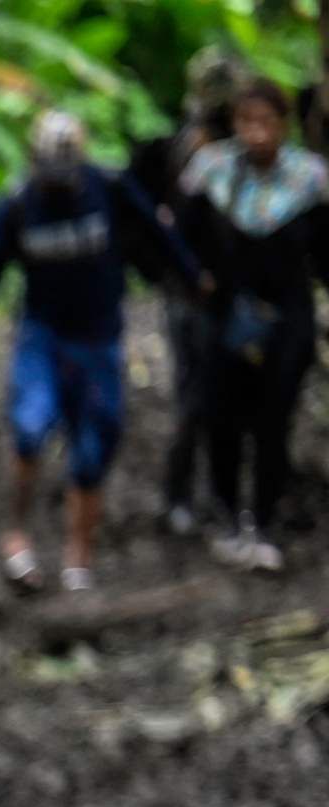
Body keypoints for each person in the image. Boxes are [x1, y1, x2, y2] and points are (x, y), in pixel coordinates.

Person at [0, 109, 203, 591]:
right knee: (29, 428)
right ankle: (17, 535)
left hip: (99, 340)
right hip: (43, 336)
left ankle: (78, 555)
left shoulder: (110, 188)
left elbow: (158, 235)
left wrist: (194, 279)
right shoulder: (18, 205)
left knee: (92, 446)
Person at [185, 78, 328, 573]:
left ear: (283, 126)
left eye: (266, 122)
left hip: (287, 313)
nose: (256, 134)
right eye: (247, 122)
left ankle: (264, 522)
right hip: (225, 313)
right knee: (221, 416)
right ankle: (228, 516)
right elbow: (183, 240)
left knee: (274, 419)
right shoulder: (212, 173)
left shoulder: (309, 181)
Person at [135, 51, 252, 534]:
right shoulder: (197, 148)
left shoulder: (229, 144)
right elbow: (175, 227)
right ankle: (181, 498)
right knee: (196, 398)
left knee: (224, 397)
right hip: (193, 295)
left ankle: (212, 497)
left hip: (219, 292)